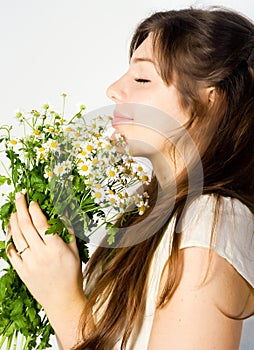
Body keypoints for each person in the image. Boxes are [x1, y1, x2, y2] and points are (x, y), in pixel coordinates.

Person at [5, 7, 254, 350]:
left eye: (141, 79)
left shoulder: (210, 221)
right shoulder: (153, 216)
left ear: (212, 100)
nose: (113, 90)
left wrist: (61, 300)